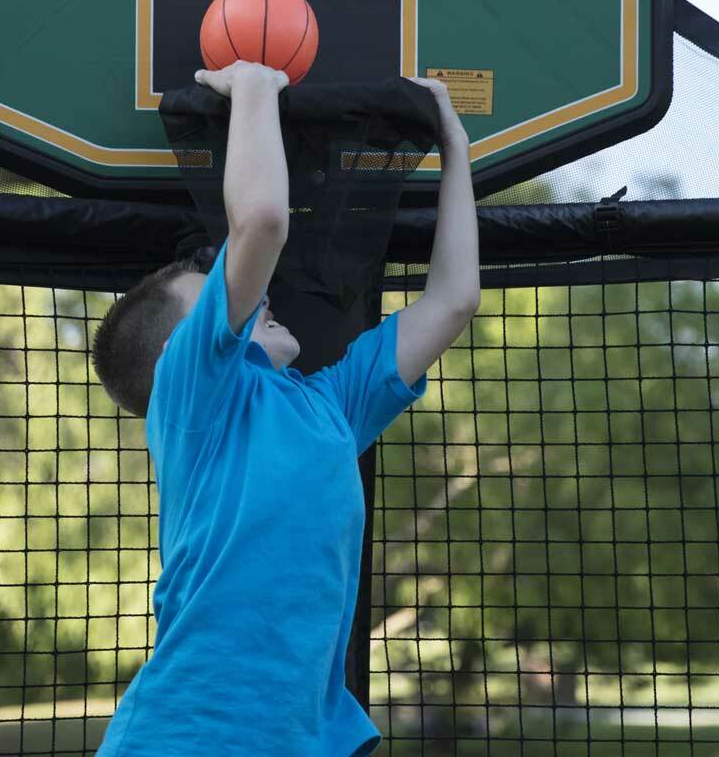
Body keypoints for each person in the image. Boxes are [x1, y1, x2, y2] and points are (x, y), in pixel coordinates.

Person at [90, 60, 480, 756]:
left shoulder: (327, 408)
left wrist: (455, 144)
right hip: (186, 738)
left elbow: (453, 301)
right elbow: (262, 221)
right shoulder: (192, 401)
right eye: (217, 296)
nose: (252, 295)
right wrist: (253, 87)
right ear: (190, 348)